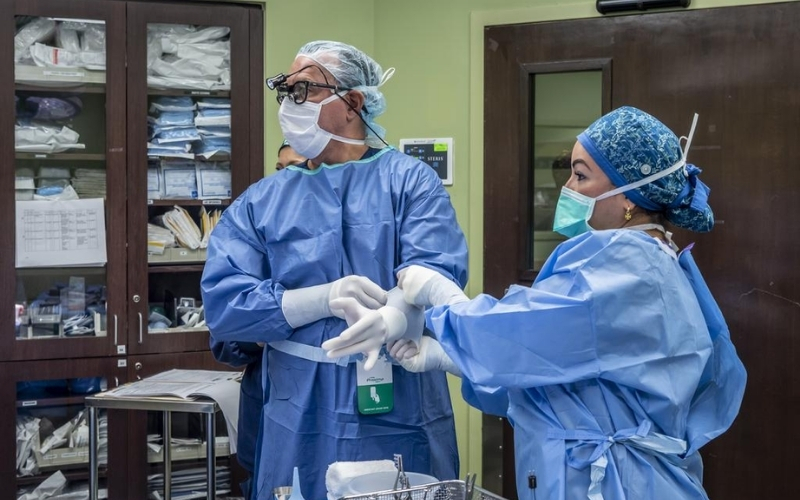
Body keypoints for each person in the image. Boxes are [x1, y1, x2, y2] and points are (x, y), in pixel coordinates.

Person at [324, 106, 746, 500]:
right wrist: (448, 359)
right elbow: (560, 381)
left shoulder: (626, 266)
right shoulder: (654, 260)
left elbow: (517, 332)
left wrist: (441, 293)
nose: (567, 189)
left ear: (629, 198)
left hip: (614, 482)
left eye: (581, 176)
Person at [201, 40, 468, 500]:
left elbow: (435, 272)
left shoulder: (409, 182)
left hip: (400, 400)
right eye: (285, 91)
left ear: (353, 102)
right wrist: (318, 300)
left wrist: (395, 316)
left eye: (304, 89)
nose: (290, 103)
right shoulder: (261, 201)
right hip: (299, 409)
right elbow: (226, 305)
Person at [209, 141, 307, 499]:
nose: (283, 178)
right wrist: (261, 329)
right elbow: (224, 337)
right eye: (279, 169)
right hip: (266, 406)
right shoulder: (258, 232)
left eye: (295, 167)